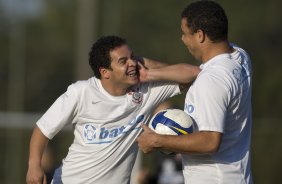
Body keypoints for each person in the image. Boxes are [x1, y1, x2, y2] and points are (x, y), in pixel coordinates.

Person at [26, 35, 200, 184]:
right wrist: (34, 166)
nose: (132, 63)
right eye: (123, 61)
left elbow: (193, 74)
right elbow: (43, 130)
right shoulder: (81, 92)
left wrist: (148, 70)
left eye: (133, 57)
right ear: (105, 72)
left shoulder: (147, 90)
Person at [136, 1, 253, 183]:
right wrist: (151, 70)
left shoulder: (212, 80)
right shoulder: (239, 56)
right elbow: (201, 77)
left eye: (185, 33)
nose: (183, 39)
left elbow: (210, 141)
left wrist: (157, 141)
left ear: (200, 35)